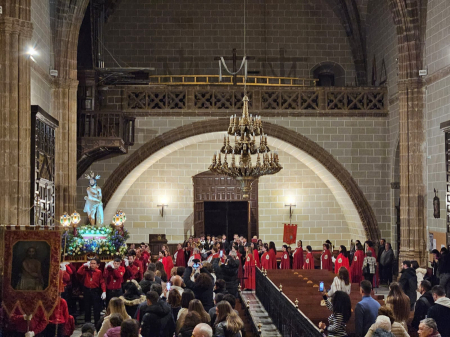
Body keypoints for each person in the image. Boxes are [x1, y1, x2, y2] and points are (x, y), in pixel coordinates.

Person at [77, 258, 106, 324]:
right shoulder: (86, 270)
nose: (92, 265)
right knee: (87, 308)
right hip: (87, 290)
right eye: (91, 263)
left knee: (96, 308)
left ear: (97, 265)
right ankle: (87, 323)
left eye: (94, 263)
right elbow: (79, 272)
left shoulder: (99, 272)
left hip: (95, 291)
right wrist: (84, 265)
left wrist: (104, 291)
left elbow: (102, 282)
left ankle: (97, 323)